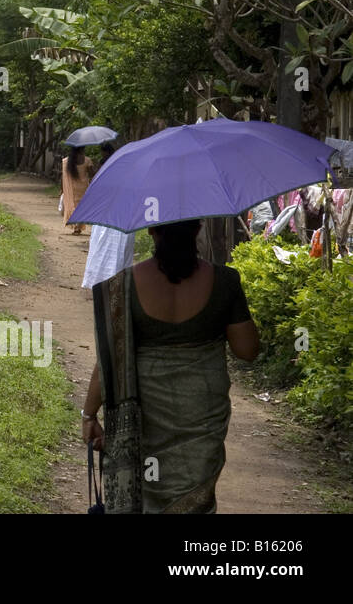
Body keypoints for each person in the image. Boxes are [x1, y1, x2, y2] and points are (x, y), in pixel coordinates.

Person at [82, 219, 259, 513]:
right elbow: (247, 350)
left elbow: (108, 364)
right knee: (193, 498)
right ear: (199, 227)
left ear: (151, 230)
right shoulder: (225, 282)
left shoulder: (122, 286)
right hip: (202, 412)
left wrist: (89, 415)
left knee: (144, 494)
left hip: (144, 417)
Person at [81, 142, 134, 290]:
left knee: (110, 253)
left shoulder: (117, 181)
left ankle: (107, 284)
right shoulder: (112, 181)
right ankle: (107, 284)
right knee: (108, 252)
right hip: (114, 222)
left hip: (117, 222)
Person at [61, 145, 93, 235]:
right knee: (81, 207)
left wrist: (62, 189)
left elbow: (62, 177)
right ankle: (78, 227)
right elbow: (92, 174)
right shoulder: (87, 160)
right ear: (82, 149)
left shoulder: (66, 161)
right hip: (83, 187)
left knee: (73, 206)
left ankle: (75, 226)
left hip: (71, 188)